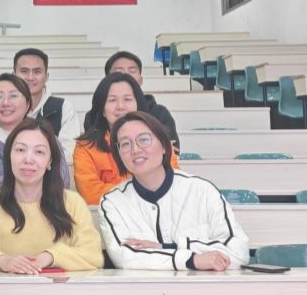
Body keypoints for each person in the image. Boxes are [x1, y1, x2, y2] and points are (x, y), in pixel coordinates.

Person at [99, 112, 248, 271]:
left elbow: (238, 253)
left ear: (164, 146)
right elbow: (124, 257)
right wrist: (193, 260)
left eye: (144, 140)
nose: (135, 149)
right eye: (125, 144)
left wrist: (168, 247)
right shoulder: (112, 202)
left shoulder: (202, 191)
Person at [0, 119, 102, 273]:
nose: (28, 159)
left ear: (50, 161)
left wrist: (50, 257)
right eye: (20, 150)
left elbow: (93, 255)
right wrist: (2, 261)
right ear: (9, 156)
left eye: (39, 152)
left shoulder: (72, 203)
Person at [74, 72, 180, 205]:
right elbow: (90, 193)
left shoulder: (159, 139)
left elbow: (174, 182)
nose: (120, 106)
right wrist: (143, 190)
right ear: (102, 110)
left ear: (137, 104)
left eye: (127, 99)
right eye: (112, 100)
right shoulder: (86, 147)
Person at [0, 74, 70, 202]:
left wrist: (15, 183)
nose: (5, 103)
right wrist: (35, 180)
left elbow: (61, 183)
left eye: (13, 96)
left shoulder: (48, 140)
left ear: (28, 104)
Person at [14, 48, 81, 151]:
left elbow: (68, 152)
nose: (30, 77)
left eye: (37, 72)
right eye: (24, 71)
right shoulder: (3, 107)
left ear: (46, 77)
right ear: (14, 75)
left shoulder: (64, 108)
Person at [104, 50, 179, 136]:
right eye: (119, 71)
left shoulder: (159, 114)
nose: (126, 75)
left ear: (141, 80)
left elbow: (170, 143)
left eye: (132, 71)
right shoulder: (98, 115)